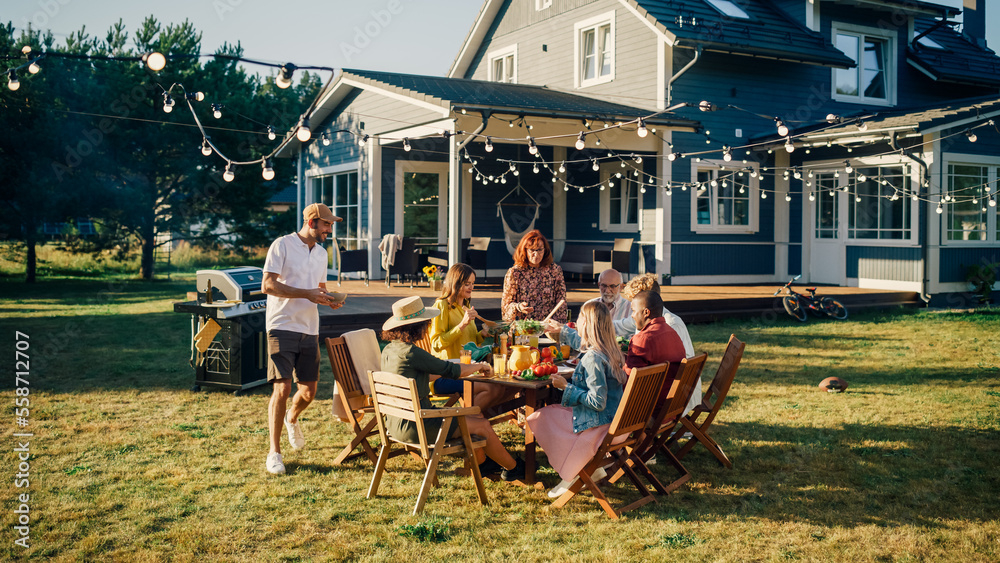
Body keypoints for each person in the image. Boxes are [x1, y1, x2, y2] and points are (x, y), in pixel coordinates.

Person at [381, 296, 526, 481]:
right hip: (418, 425)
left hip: (395, 423)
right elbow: (451, 370)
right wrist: (479, 367)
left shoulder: (390, 350)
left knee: (474, 418)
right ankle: (514, 468)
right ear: (418, 326)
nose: (428, 326)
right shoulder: (412, 353)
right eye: (427, 323)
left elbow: (429, 374)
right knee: (481, 425)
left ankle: (484, 464)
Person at [262, 203, 345, 475]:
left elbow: (317, 289)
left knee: (308, 392)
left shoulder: (321, 254)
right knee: (282, 389)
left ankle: (292, 417)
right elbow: (268, 285)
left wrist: (328, 299)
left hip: (310, 328)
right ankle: (274, 453)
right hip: (281, 325)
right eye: (326, 225)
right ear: (312, 222)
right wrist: (306, 294)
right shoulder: (282, 245)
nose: (329, 230)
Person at [526, 301, 627, 498]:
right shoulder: (612, 350)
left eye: (580, 318)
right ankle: (586, 467)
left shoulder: (593, 358)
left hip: (599, 424)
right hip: (617, 421)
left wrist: (566, 387)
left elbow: (597, 402)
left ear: (588, 324)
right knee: (552, 412)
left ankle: (572, 472)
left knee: (539, 417)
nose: (576, 322)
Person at [428, 263, 508, 409]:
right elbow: (436, 343)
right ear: (455, 283)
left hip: (468, 371)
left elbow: (468, 342)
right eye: (467, 284)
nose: (471, 287)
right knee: (492, 388)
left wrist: (482, 334)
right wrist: (462, 324)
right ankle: (468, 423)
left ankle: (473, 421)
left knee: (504, 385)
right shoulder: (441, 306)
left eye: (472, 283)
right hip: (445, 375)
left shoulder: (465, 307)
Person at [616, 273, 694, 358]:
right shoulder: (644, 319)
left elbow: (674, 361)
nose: (632, 307)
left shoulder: (670, 324)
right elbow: (619, 326)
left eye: (635, 302)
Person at [501, 230, 568, 323]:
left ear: (545, 250)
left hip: (548, 327)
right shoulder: (515, 273)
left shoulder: (555, 270)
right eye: (532, 250)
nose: (536, 254)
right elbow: (506, 307)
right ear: (524, 250)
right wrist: (519, 307)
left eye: (540, 250)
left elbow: (561, 303)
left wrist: (558, 328)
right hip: (523, 328)